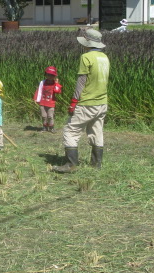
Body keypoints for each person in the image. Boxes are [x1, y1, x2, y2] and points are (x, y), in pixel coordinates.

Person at [53, 28, 109, 173]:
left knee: (71, 130)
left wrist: (73, 102)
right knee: (96, 131)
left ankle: (71, 165)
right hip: (102, 102)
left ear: (88, 43)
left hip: (87, 102)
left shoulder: (86, 57)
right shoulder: (104, 57)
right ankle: (96, 164)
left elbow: (81, 81)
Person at [34, 66, 62, 133]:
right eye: (48, 75)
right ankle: (44, 127)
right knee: (44, 116)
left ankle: (51, 127)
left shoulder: (55, 84)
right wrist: (36, 99)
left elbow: (57, 91)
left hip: (51, 103)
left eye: (52, 75)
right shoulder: (42, 82)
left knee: (50, 116)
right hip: (43, 102)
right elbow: (39, 91)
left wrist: (57, 83)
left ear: (54, 76)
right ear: (46, 75)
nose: (50, 76)